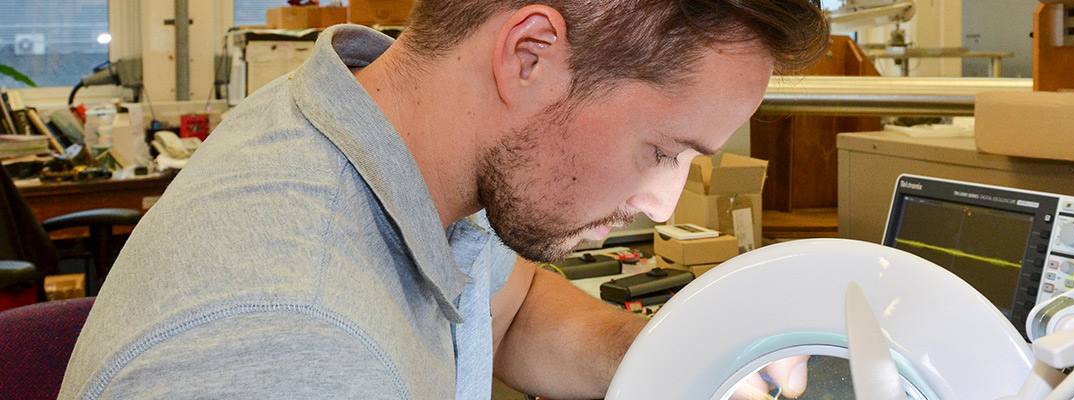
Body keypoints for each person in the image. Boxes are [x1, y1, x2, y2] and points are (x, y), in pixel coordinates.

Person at [58, 0, 828, 399]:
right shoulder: (297, 349)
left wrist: (668, 360)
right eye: (663, 151)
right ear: (528, 55)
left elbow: (508, 305)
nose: (665, 205)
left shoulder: (374, 132)